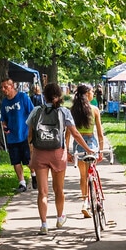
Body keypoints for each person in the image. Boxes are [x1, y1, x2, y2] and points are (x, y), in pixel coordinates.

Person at [25, 84, 91, 233]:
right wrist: (88, 149)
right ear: (59, 96)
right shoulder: (64, 112)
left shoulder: (36, 111)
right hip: (57, 154)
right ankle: (60, 217)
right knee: (59, 189)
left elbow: (29, 135)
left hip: (39, 153)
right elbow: (75, 133)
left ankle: (43, 224)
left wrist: (31, 156)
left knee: (42, 192)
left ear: (44, 95)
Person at [70, 84, 105, 217]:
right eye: (91, 92)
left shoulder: (72, 110)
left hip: (78, 143)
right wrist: (101, 150)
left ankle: (85, 200)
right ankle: (93, 198)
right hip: (91, 143)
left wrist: (68, 150)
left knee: (83, 175)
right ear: (87, 94)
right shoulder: (94, 109)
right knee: (91, 172)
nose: (93, 94)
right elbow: (100, 134)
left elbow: (69, 132)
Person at [0, 77, 37, 193]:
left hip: (24, 134)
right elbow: (3, 118)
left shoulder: (23, 97)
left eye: (6, 87)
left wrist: (32, 130)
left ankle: (34, 176)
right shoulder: (4, 102)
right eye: (2, 87)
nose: (3, 89)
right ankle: (22, 183)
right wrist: (4, 126)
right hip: (12, 137)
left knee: (28, 160)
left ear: (12, 86)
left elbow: (33, 113)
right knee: (15, 161)